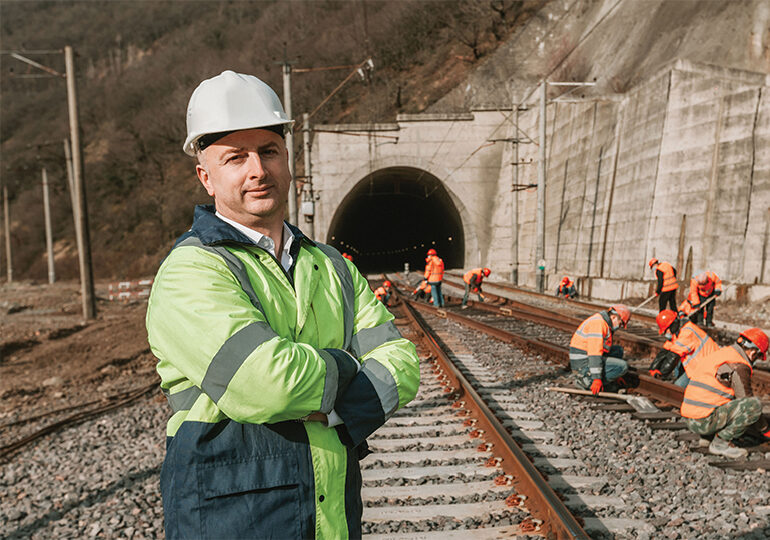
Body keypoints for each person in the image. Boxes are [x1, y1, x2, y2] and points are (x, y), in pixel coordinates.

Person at [145, 71, 420, 539]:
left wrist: (329, 410)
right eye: (235, 157)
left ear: (288, 160)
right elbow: (266, 383)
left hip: (332, 516)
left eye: (268, 151)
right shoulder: (190, 272)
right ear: (205, 176)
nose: (257, 169)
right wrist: (348, 369)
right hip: (231, 518)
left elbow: (403, 365)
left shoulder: (332, 266)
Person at [680, 328, 769, 458]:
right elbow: (746, 401)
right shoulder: (739, 365)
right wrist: (766, 430)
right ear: (753, 352)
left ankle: (708, 437)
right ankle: (720, 444)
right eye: (759, 356)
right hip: (703, 422)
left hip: (690, 419)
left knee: (728, 399)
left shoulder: (723, 354)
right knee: (753, 405)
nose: (757, 360)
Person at [569, 305, 631, 394]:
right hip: (582, 365)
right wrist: (597, 379)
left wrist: (616, 374)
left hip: (585, 357)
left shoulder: (604, 322)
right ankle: (587, 381)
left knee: (618, 350)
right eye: (621, 323)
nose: (620, 326)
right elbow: (594, 353)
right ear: (613, 317)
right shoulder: (598, 324)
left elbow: (603, 350)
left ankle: (599, 377)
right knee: (623, 366)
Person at [648, 310, 718, 387]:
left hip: (707, 365)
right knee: (676, 364)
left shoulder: (687, 332)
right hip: (699, 363)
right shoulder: (678, 331)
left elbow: (673, 357)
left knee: (678, 386)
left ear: (673, 324)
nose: (667, 332)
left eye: (667, 329)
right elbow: (665, 351)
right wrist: (653, 368)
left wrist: (661, 373)